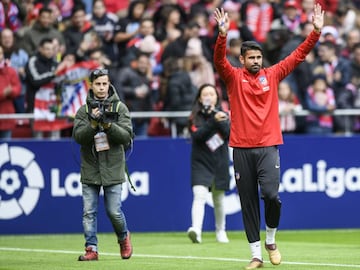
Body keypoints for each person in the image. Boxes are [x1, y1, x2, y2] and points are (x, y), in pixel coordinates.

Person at [213, 3, 324, 269]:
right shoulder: (232, 77)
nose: (255, 61)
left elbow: (297, 56)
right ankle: (255, 255)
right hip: (240, 148)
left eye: (258, 58)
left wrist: (316, 32)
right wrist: (222, 35)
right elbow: (218, 60)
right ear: (242, 60)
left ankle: (271, 240)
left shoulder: (272, 75)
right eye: (250, 58)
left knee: (272, 196)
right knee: (248, 202)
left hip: (268, 146)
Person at [73, 68, 134, 261]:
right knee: (88, 212)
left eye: (104, 83)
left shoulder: (120, 108)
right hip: (90, 167)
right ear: (91, 85)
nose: (101, 87)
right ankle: (91, 249)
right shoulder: (83, 111)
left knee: (114, 211)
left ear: (109, 84)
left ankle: (124, 237)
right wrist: (92, 125)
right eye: (97, 84)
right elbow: (78, 137)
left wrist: (108, 126)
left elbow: (126, 137)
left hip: (113, 166)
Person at [187, 83, 231, 244]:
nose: (208, 97)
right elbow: (198, 135)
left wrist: (218, 118)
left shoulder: (223, 114)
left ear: (216, 97)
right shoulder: (194, 116)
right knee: (199, 195)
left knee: (218, 198)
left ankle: (221, 231)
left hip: (219, 161)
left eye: (211, 94)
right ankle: (196, 230)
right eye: (205, 94)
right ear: (199, 98)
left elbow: (229, 133)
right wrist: (213, 120)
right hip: (200, 162)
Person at [0, 44, 21, 139]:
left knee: (6, 147)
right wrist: (3, 94)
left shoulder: (10, 71)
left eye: (0, 53)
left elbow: (17, 88)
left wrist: (11, 91)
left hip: (6, 114)